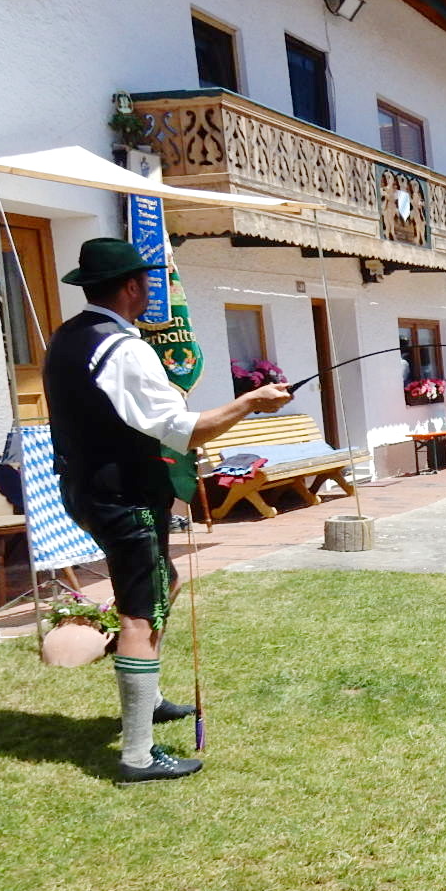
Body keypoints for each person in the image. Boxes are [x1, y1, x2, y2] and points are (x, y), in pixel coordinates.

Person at [44, 238, 290, 782]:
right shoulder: (123, 349)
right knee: (141, 612)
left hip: (86, 488)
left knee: (165, 583)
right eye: (149, 281)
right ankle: (137, 755)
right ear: (133, 287)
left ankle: (148, 699)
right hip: (124, 496)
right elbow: (184, 430)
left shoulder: (69, 337)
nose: (153, 289)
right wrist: (252, 400)